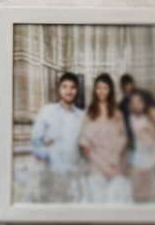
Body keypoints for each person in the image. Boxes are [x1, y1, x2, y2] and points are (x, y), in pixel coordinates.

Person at [30, 72, 86, 203]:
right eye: (65, 86)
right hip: (52, 171)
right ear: (59, 89)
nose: (69, 91)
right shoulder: (47, 111)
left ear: (77, 90)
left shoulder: (81, 116)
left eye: (73, 87)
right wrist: (48, 154)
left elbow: (84, 143)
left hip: (74, 172)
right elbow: (36, 140)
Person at [79, 73, 132, 204]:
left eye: (105, 88)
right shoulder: (89, 113)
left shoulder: (117, 114)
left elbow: (123, 139)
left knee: (116, 205)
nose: (102, 91)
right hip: (97, 166)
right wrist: (104, 166)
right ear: (95, 90)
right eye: (99, 88)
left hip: (115, 165)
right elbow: (85, 144)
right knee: (98, 204)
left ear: (110, 90)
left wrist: (114, 161)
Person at [126, 91, 155, 203]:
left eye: (139, 101)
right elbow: (137, 133)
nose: (135, 105)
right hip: (139, 161)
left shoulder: (152, 113)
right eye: (133, 102)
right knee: (140, 195)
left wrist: (151, 127)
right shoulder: (132, 118)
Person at [118, 73, 155, 161]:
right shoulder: (122, 105)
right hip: (135, 142)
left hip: (152, 133)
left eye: (130, 89)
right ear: (122, 90)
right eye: (126, 90)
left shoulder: (145, 95)